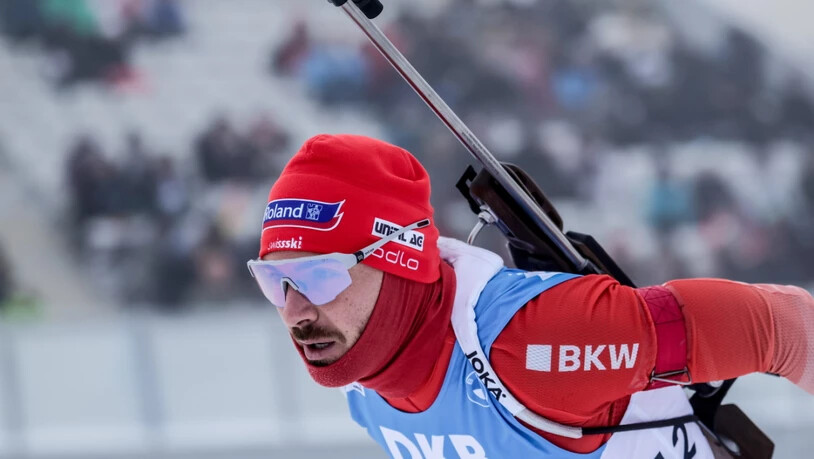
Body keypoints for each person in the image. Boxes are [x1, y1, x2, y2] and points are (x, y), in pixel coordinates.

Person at [249, 134, 814, 458]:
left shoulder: (535, 339)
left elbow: (784, 326)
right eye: (274, 282)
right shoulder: (364, 391)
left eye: (319, 275)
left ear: (395, 260)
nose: (295, 311)